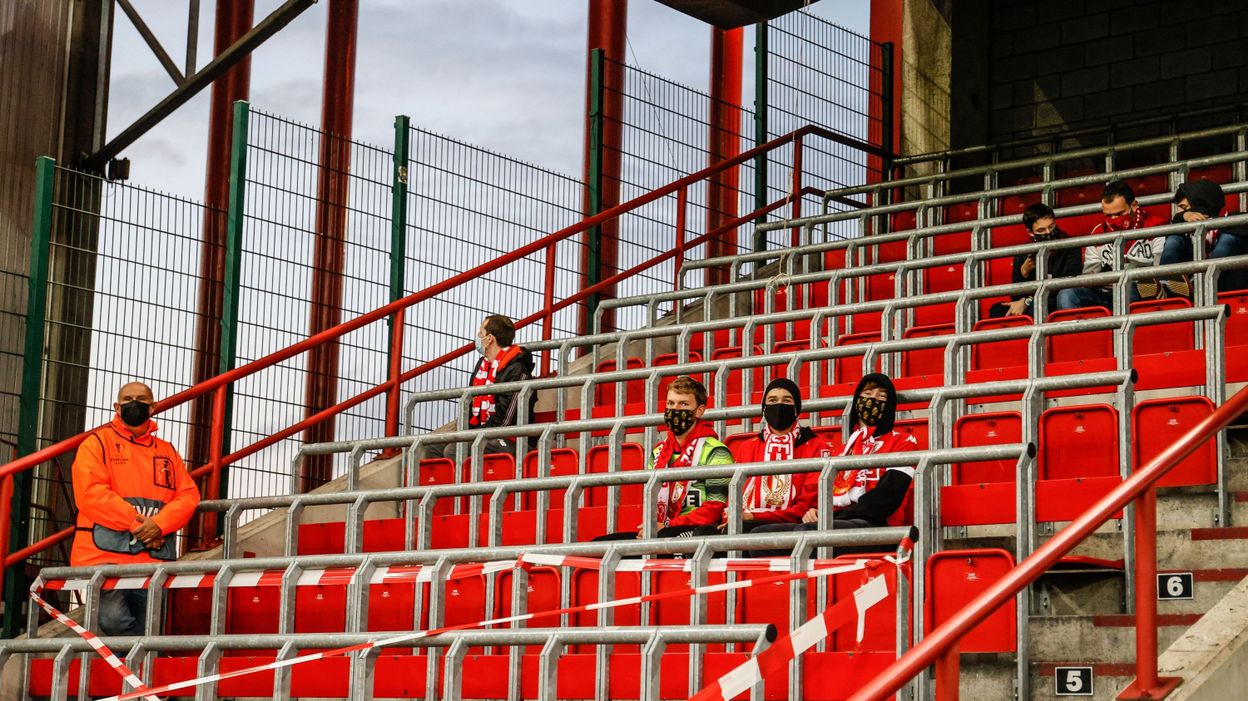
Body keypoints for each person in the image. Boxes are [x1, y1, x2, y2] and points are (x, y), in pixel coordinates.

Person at [70, 382, 201, 636]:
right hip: (104, 557)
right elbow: (91, 493)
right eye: (128, 399)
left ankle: (133, 672)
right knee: (113, 620)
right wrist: (142, 527)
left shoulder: (167, 451)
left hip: (152, 559)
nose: (134, 403)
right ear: (117, 407)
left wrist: (160, 525)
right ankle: (134, 670)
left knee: (149, 629)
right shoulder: (96, 444)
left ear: (152, 407)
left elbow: (188, 495)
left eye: (141, 399)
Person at [752, 373, 918, 538]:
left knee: (807, 533)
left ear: (890, 406)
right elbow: (827, 499)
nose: (873, 400)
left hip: (881, 527)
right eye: (867, 394)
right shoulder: (844, 451)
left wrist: (833, 517)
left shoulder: (903, 443)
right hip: (839, 522)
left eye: (881, 397)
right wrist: (816, 513)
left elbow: (885, 500)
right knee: (760, 535)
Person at [594, 375, 734, 541]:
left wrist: (668, 526)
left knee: (663, 536)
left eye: (683, 404)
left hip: (699, 531)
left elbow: (715, 508)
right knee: (599, 545)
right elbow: (652, 503)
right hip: (663, 529)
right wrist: (652, 526)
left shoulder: (716, 451)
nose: (675, 409)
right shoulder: (658, 452)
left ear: (699, 411)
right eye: (671, 403)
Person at [422, 315, 537, 460]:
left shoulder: (518, 370)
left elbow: (505, 420)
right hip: (483, 433)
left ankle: (462, 483)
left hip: (511, 438)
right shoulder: (482, 367)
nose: (477, 337)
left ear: (489, 339)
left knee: (454, 451)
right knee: (433, 448)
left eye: (480, 333)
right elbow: (470, 405)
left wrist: (476, 434)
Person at [725, 378, 833, 532]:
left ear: (797, 409)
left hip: (789, 523)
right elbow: (733, 497)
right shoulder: (747, 447)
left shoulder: (817, 446)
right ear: (764, 409)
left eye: (787, 400)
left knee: (749, 531)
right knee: (705, 533)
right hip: (746, 519)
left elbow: (808, 504)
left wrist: (755, 517)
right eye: (772, 400)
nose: (779, 406)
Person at [1055, 180, 1166, 311]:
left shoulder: (1156, 226)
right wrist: (1094, 279)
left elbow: (1161, 270)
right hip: (1108, 294)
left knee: (1127, 290)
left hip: (1140, 291)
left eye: (1119, 214)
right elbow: (1091, 274)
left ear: (1134, 205)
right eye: (1108, 215)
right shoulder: (1098, 233)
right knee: (1066, 295)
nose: (1113, 220)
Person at [987, 203, 1083, 319]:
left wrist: (1028, 300)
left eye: (1051, 227)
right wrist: (1023, 273)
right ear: (1030, 232)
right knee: (997, 309)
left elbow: (1067, 287)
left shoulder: (1070, 246)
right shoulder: (1024, 253)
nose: (1048, 232)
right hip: (1030, 302)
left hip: (1056, 302)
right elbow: (1015, 297)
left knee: (1036, 306)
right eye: (1041, 230)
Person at [1158, 179, 1248, 295]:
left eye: (1184, 208)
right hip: (1187, 284)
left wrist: (1212, 223)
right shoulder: (1182, 225)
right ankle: (1165, 284)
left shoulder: (1232, 218)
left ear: (1200, 205)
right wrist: (1184, 216)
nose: (1180, 212)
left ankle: (1200, 283)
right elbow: (1173, 226)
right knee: (1174, 239)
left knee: (1228, 239)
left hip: (1228, 282)